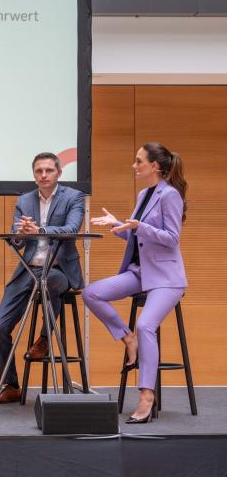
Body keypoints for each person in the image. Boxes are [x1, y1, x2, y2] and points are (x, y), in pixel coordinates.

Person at [83, 143, 187, 423]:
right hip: (141, 272)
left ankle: (146, 395)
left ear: (155, 166)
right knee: (91, 293)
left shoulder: (170, 195)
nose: (134, 165)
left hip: (166, 277)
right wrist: (118, 224)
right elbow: (140, 238)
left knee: (145, 325)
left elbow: (171, 238)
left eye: (139, 161)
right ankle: (126, 337)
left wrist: (139, 226)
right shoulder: (144, 194)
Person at [0, 152, 85, 404]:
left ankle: (44, 338)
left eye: (48, 171)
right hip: (28, 269)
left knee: (50, 281)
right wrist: (20, 233)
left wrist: (40, 230)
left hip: (59, 270)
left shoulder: (73, 197)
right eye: (38, 171)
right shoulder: (24, 200)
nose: (43, 175)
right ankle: (11, 385)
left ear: (59, 173)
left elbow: (72, 229)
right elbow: (17, 241)